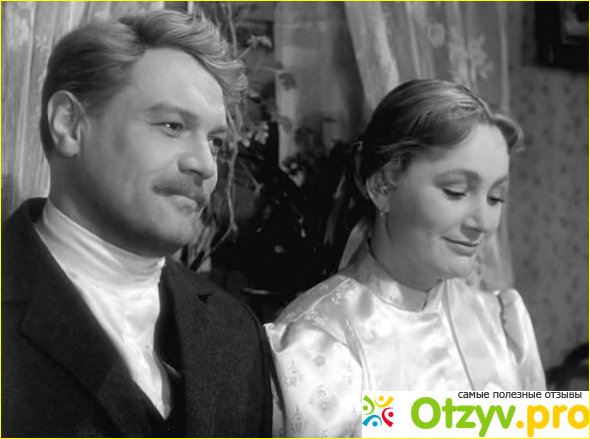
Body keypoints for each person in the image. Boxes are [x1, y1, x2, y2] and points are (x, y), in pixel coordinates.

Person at [2, 10, 272, 437]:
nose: (205, 165)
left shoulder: (235, 331)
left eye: (215, 142)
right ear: (69, 124)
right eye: (172, 126)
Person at [266, 79, 546, 437]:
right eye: (456, 191)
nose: (483, 222)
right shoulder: (317, 342)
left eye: (496, 198)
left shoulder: (502, 323)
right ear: (383, 186)